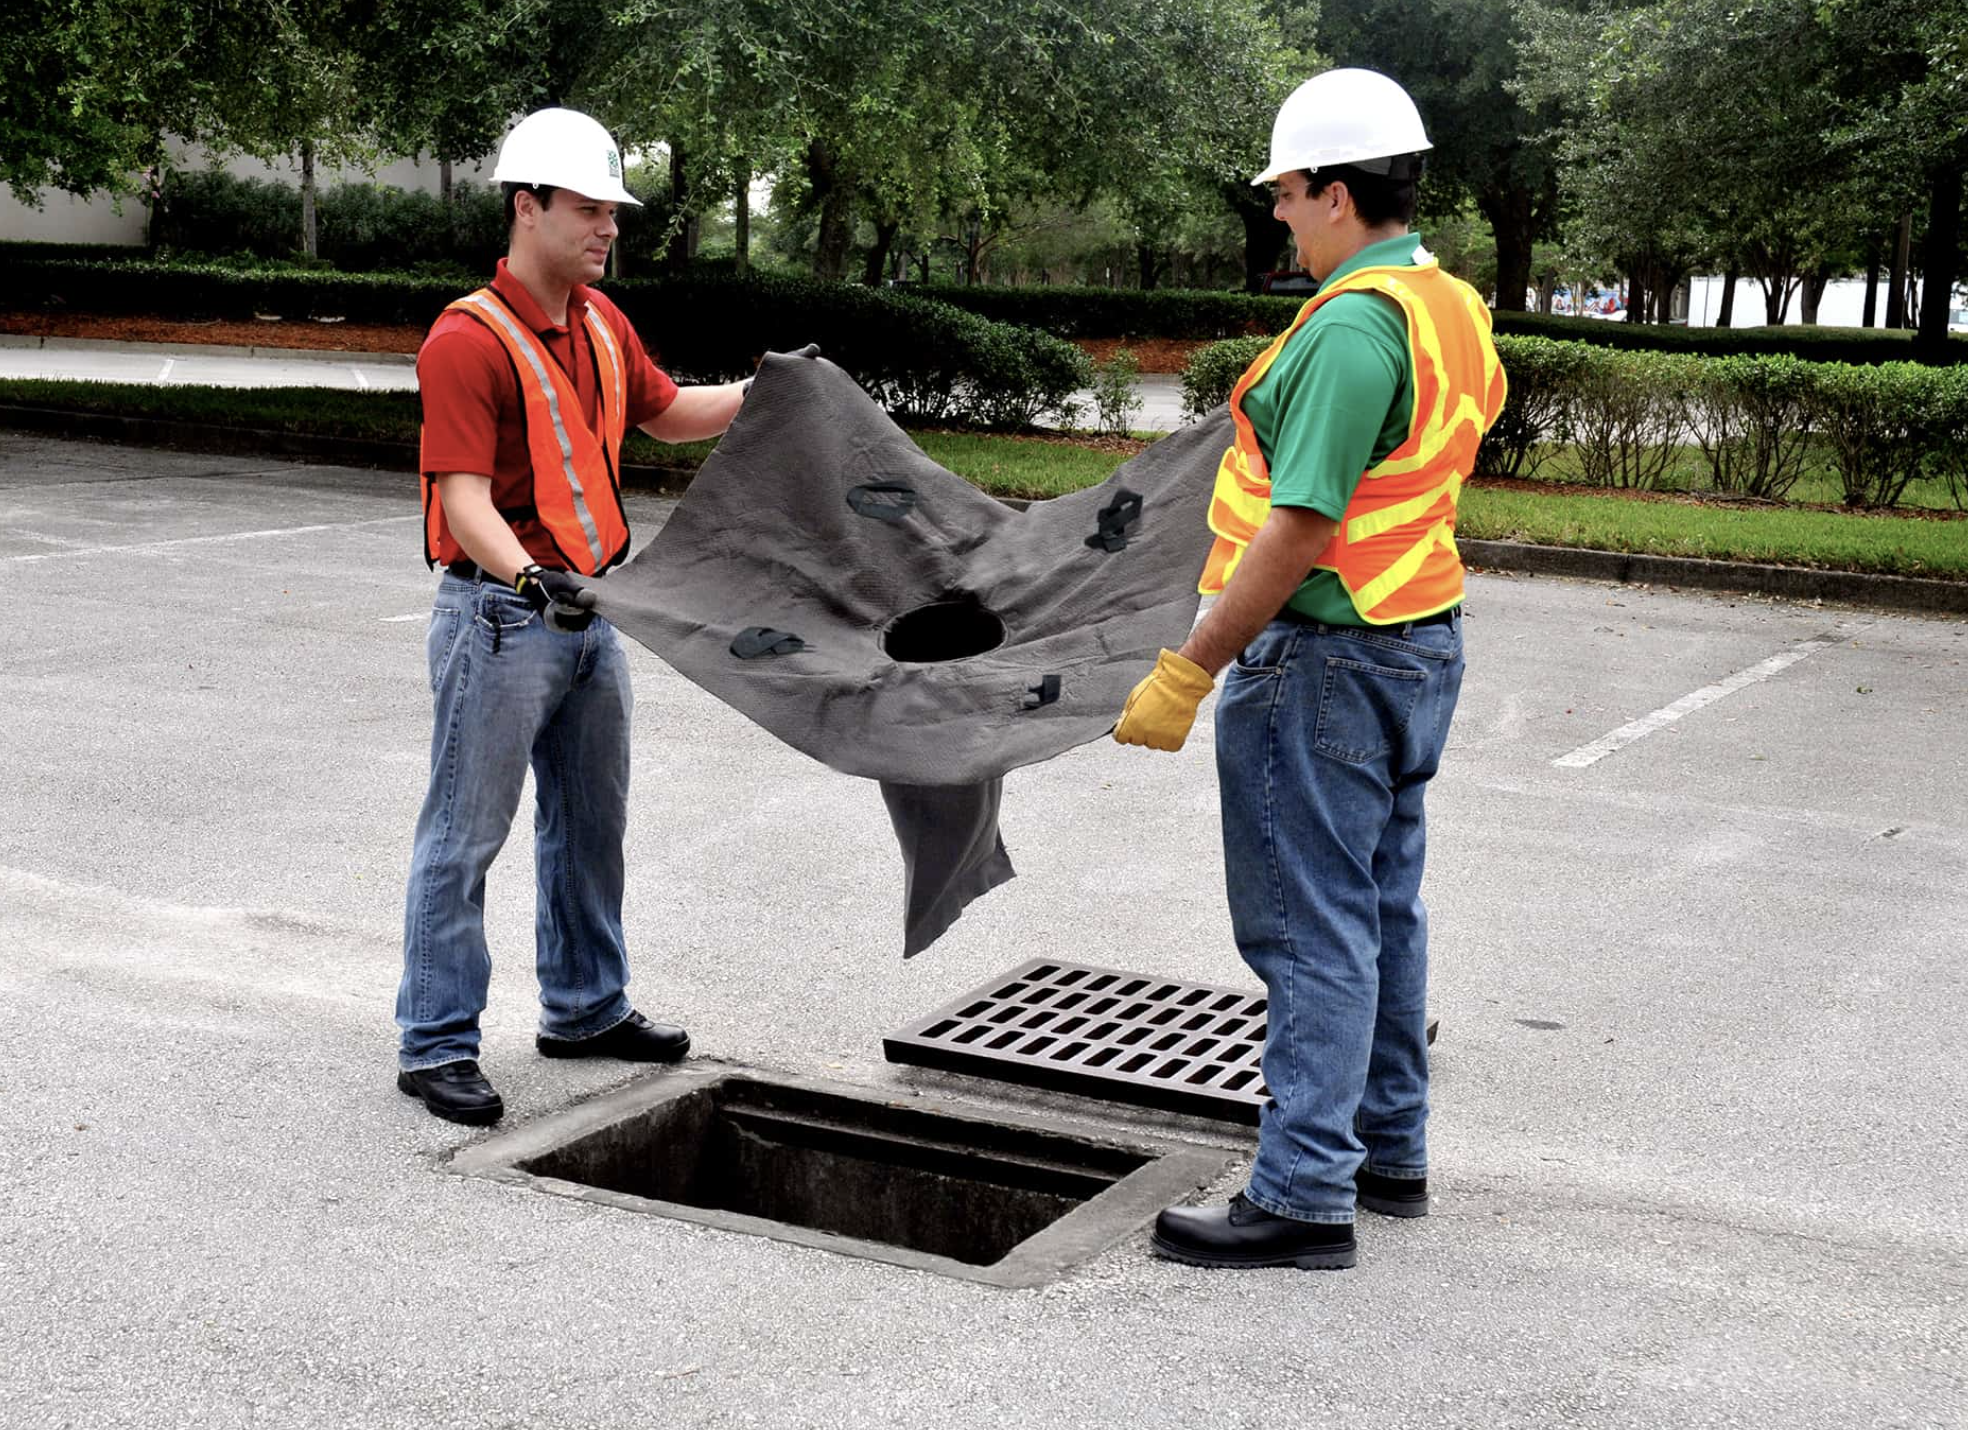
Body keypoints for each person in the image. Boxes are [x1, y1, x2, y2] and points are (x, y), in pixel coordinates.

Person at [1113, 68, 1506, 1269]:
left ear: (1338, 191)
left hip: (1328, 656)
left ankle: (1300, 1193)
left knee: (1308, 930)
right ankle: (1385, 1149)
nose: (1277, 211)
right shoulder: (1445, 304)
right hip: (1413, 643)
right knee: (1382, 906)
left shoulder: (1350, 325)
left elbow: (1301, 522)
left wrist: (1190, 667)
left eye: (1286, 191)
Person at [395, 108, 752, 1126]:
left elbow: (667, 410)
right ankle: (433, 1042)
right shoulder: (466, 339)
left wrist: (765, 384)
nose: (608, 229)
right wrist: (526, 580)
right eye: (590, 210)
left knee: (592, 825)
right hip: (502, 618)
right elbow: (463, 497)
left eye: (612, 212)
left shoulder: (602, 321)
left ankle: (586, 1006)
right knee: (465, 836)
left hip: (593, 612)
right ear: (529, 207)